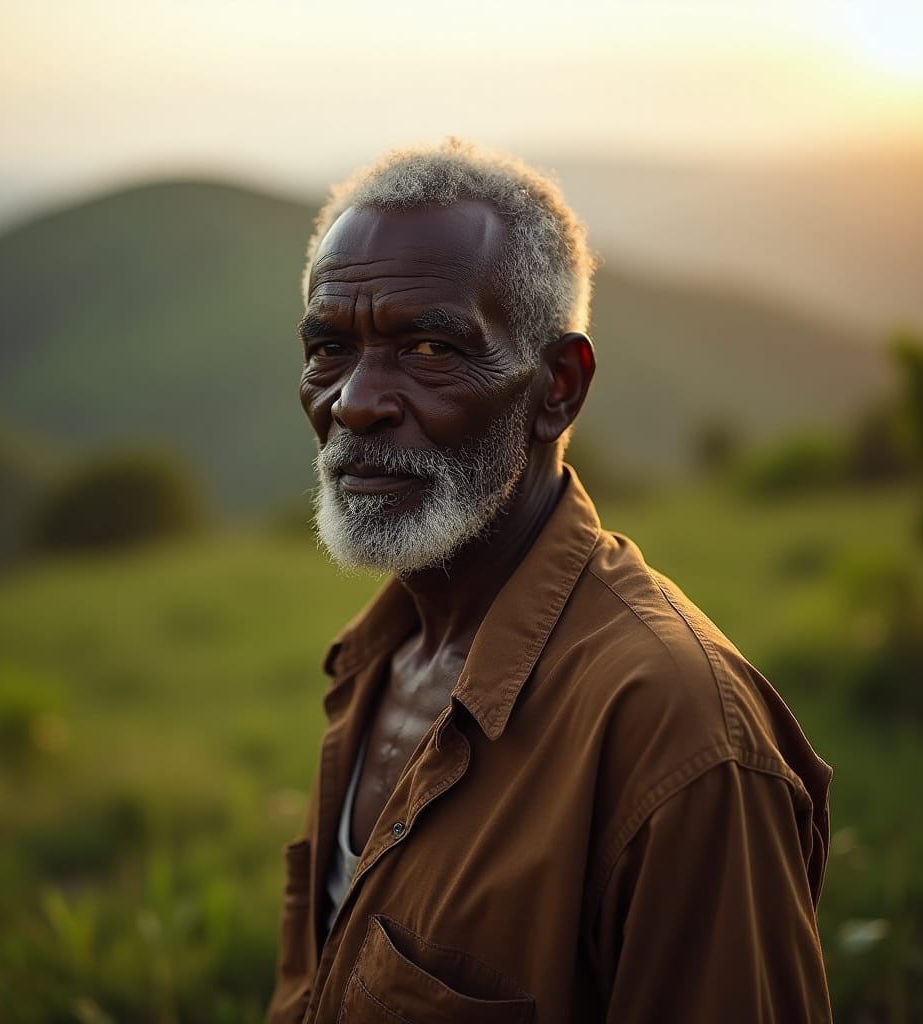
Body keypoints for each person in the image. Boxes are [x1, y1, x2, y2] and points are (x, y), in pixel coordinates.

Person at [267, 139, 833, 1023]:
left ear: (557, 388)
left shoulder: (680, 735)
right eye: (329, 348)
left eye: (426, 347)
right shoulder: (377, 659)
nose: (353, 401)